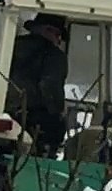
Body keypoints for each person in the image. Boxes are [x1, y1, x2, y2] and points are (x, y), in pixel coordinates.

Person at [5, 13, 69, 156]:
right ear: (47, 30)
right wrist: (58, 114)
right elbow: (50, 86)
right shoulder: (55, 56)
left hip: (2, 109)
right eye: (58, 35)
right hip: (33, 117)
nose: (58, 40)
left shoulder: (9, 45)